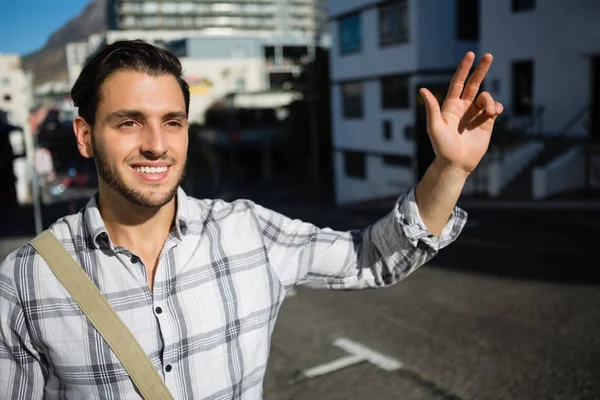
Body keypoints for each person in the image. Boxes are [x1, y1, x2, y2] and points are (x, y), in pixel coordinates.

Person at [0, 40, 503, 399]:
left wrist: (450, 167)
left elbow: (371, 258)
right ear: (85, 136)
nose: (156, 143)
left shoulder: (249, 231)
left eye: (172, 122)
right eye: (128, 122)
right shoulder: (25, 279)